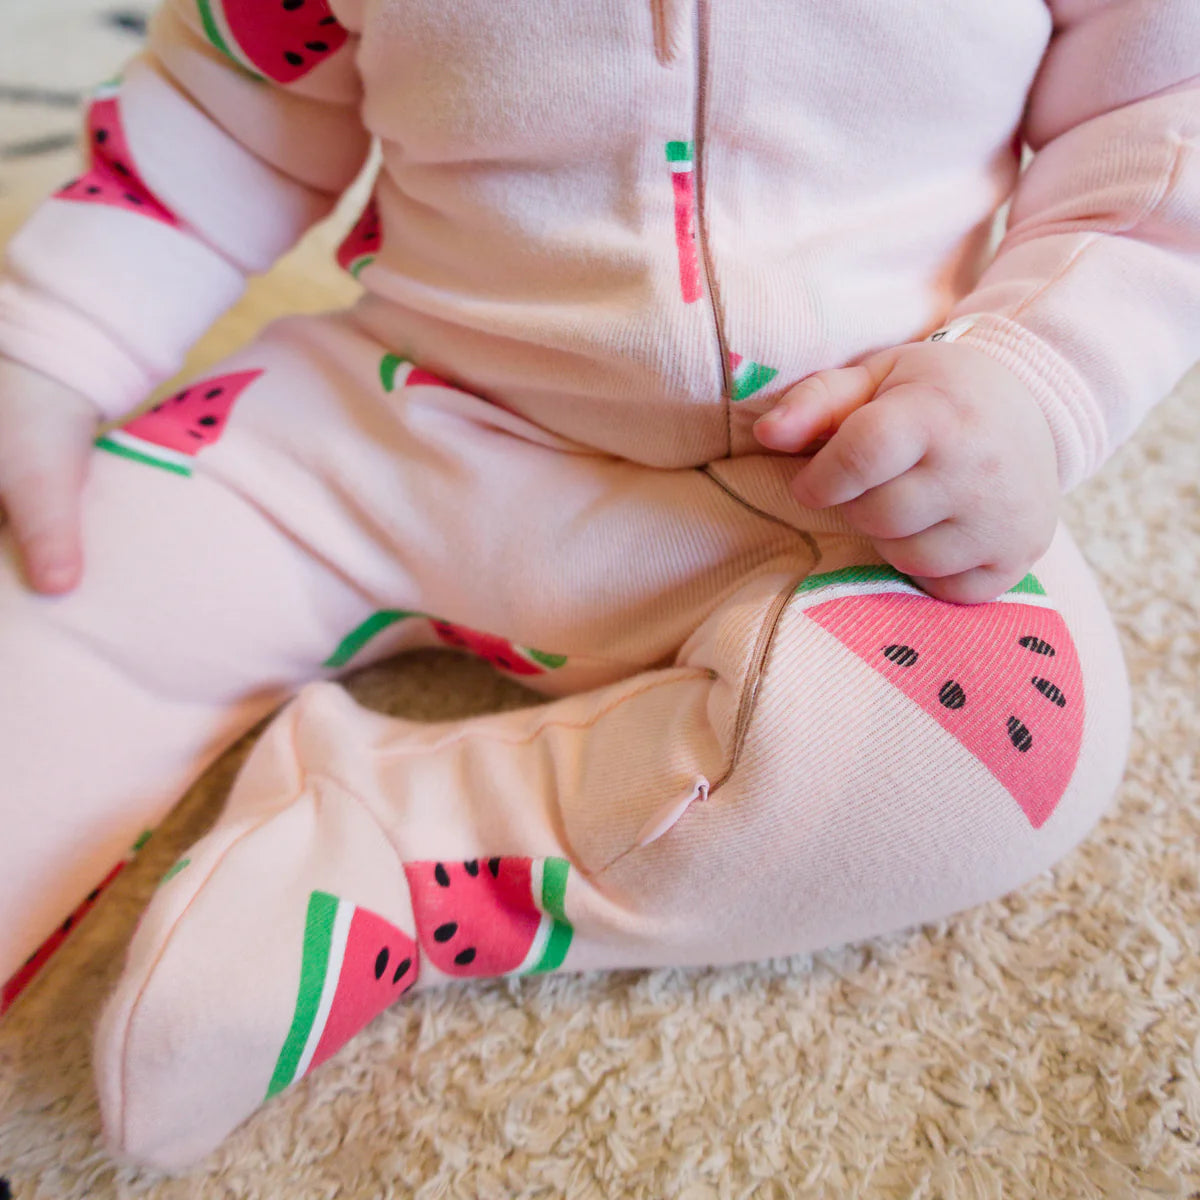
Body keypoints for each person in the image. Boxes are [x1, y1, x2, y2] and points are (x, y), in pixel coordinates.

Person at [0, 0, 1194, 1171]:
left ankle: (400, 851)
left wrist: (1033, 378)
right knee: (54, 579)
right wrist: (58, 335)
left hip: (828, 469)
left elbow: (1154, 124)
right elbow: (234, 103)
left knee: (994, 753)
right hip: (392, 420)